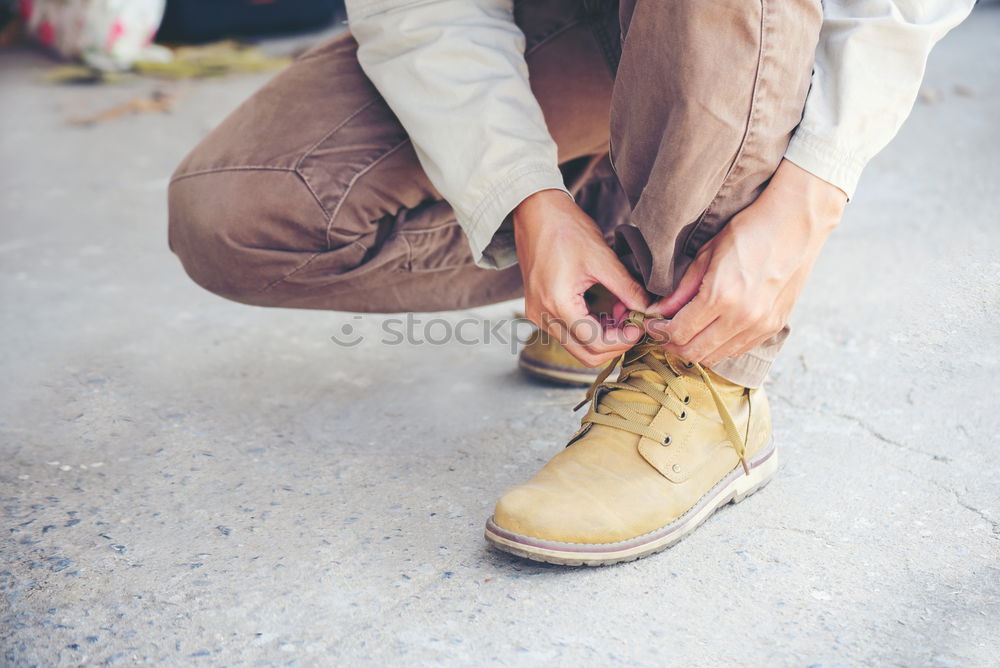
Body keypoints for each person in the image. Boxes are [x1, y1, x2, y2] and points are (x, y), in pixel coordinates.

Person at [167, 0, 974, 566]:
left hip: (755, 22)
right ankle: (621, 235)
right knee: (241, 212)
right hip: (567, 19)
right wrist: (527, 198)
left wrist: (813, 189)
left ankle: (705, 373)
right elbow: (421, 10)